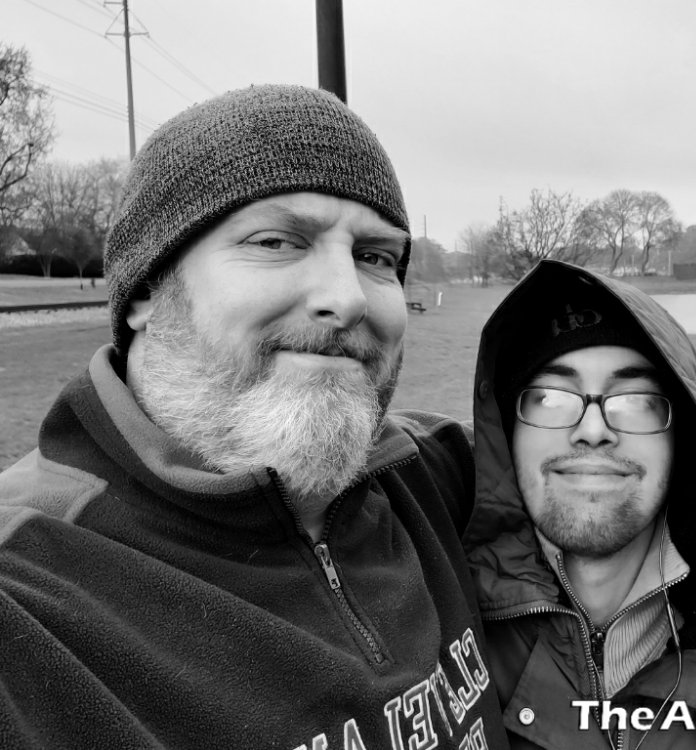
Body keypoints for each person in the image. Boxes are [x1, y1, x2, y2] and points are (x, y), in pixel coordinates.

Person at [0, 85, 506, 750]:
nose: (348, 297)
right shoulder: (29, 590)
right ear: (147, 288)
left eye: (375, 257)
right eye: (275, 241)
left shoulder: (437, 473)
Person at [463, 260, 696, 749]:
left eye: (637, 400)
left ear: (682, 440)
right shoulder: (444, 627)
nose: (593, 430)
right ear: (508, 434)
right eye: (551, 398)